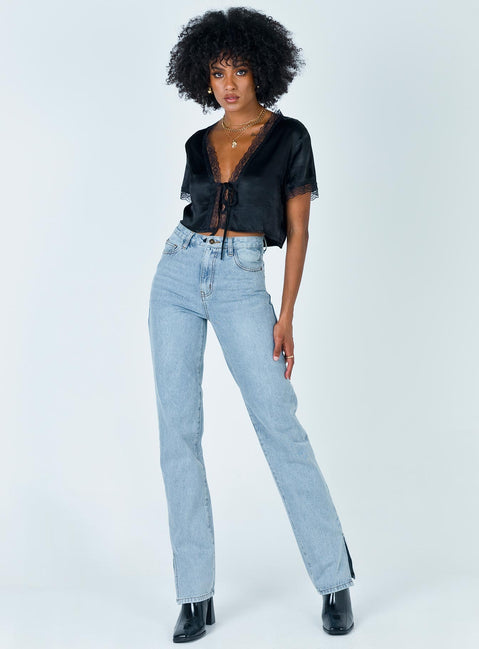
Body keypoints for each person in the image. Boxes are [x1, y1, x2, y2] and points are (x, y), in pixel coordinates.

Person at [148, 7, 357, 643]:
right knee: (178, 434)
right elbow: (196, 214)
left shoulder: (290, 137)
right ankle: (194, 594)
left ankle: (334, 578)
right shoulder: (197, 143)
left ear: (261, 69)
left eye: (239, 70)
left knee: (278, 424)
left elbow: (298, 231)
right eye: (218, 73)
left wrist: (286, 314)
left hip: (243, 283)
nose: (229, 84)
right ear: (203, 78)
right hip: (177, 274)